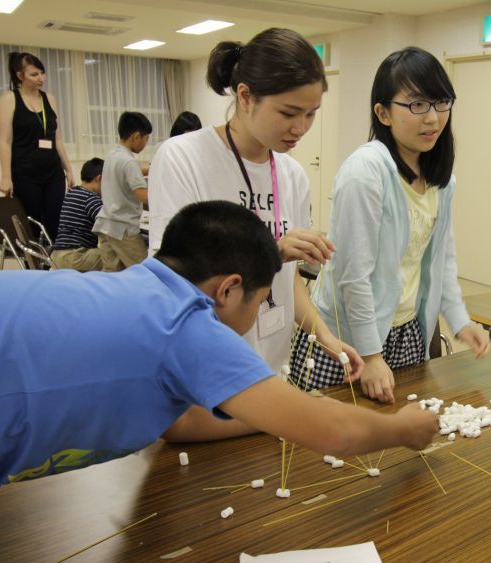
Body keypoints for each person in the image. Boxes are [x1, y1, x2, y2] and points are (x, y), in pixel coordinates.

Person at [0, 200, 438, 563]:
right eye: (260, 303)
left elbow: (182, 422)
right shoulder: (184, 324)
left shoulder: (138, 287)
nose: (256, 315)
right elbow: (335, 434)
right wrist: (404, 428)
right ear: (228, 289)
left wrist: (284, 410)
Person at [149, 28, 364, 438]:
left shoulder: (292, 174)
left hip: (267, 371)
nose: (301, 127)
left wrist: (324, 334)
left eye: (311, 113)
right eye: (288, 113)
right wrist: (270, 252)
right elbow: (173, 286)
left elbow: (287, 282)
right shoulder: (182, 158)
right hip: (204, 375)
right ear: (245, 97)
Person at [292, 47, 489, 403]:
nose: (432, 118)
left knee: (399, 444)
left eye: (441, 102)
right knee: (328, 449)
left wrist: (460, 320)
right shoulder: (365, 172)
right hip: (348, 339)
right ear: (382, 113)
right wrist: (370, 356)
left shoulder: (442, 181)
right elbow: (354, 275)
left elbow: (440, 260)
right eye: (416, 105)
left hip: (405, 331)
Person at [0, 51, 74, 242]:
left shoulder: (50, 99)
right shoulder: (10, 99)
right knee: (32, 221)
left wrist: (69, 170)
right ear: (19, 75)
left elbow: (57, 139)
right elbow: (5, 141)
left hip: (52, 172)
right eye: (34, 74)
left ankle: (52, 266)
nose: (40, 78)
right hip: (25, 172)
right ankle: (33, 266)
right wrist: (6, 176)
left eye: (42, 73)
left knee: (55, 221)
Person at [93, 112, 151, 271]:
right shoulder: (129, 161)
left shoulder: (113, 155)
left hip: (106, 224)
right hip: (123, 229)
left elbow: (130, 171)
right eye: (146, 138)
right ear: (136, 136)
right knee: (144, 272)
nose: (146, 143)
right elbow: (143, 196)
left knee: (112, 275)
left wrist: (152, 169)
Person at [51, 158, 105, 271]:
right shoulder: (91, 198)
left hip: (56, 256)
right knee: (115, 257)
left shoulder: (72, 192)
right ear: (99, 179)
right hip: (75, 256)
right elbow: (108, 223)